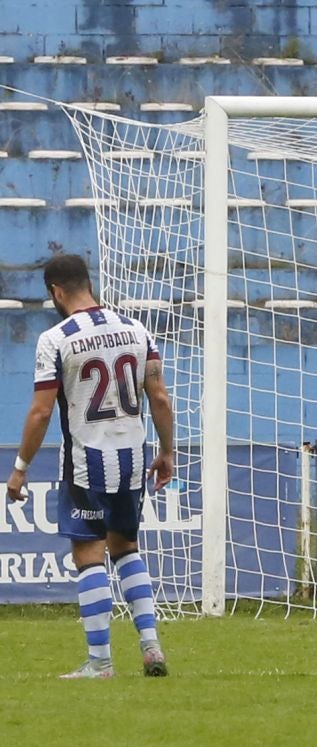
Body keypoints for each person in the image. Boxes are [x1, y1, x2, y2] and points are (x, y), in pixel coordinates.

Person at [7, 254, 175, 679]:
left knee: (89, 554)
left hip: (87, 463)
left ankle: (100, 662)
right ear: (89, 283)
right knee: (126, 548)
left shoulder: (56, 339)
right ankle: (151, 646)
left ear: (56, 292)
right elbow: (159, 397)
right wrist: (167, 452)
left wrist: (21, 467)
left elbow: (41, 412)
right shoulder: (136, 329)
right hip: (133, 460)